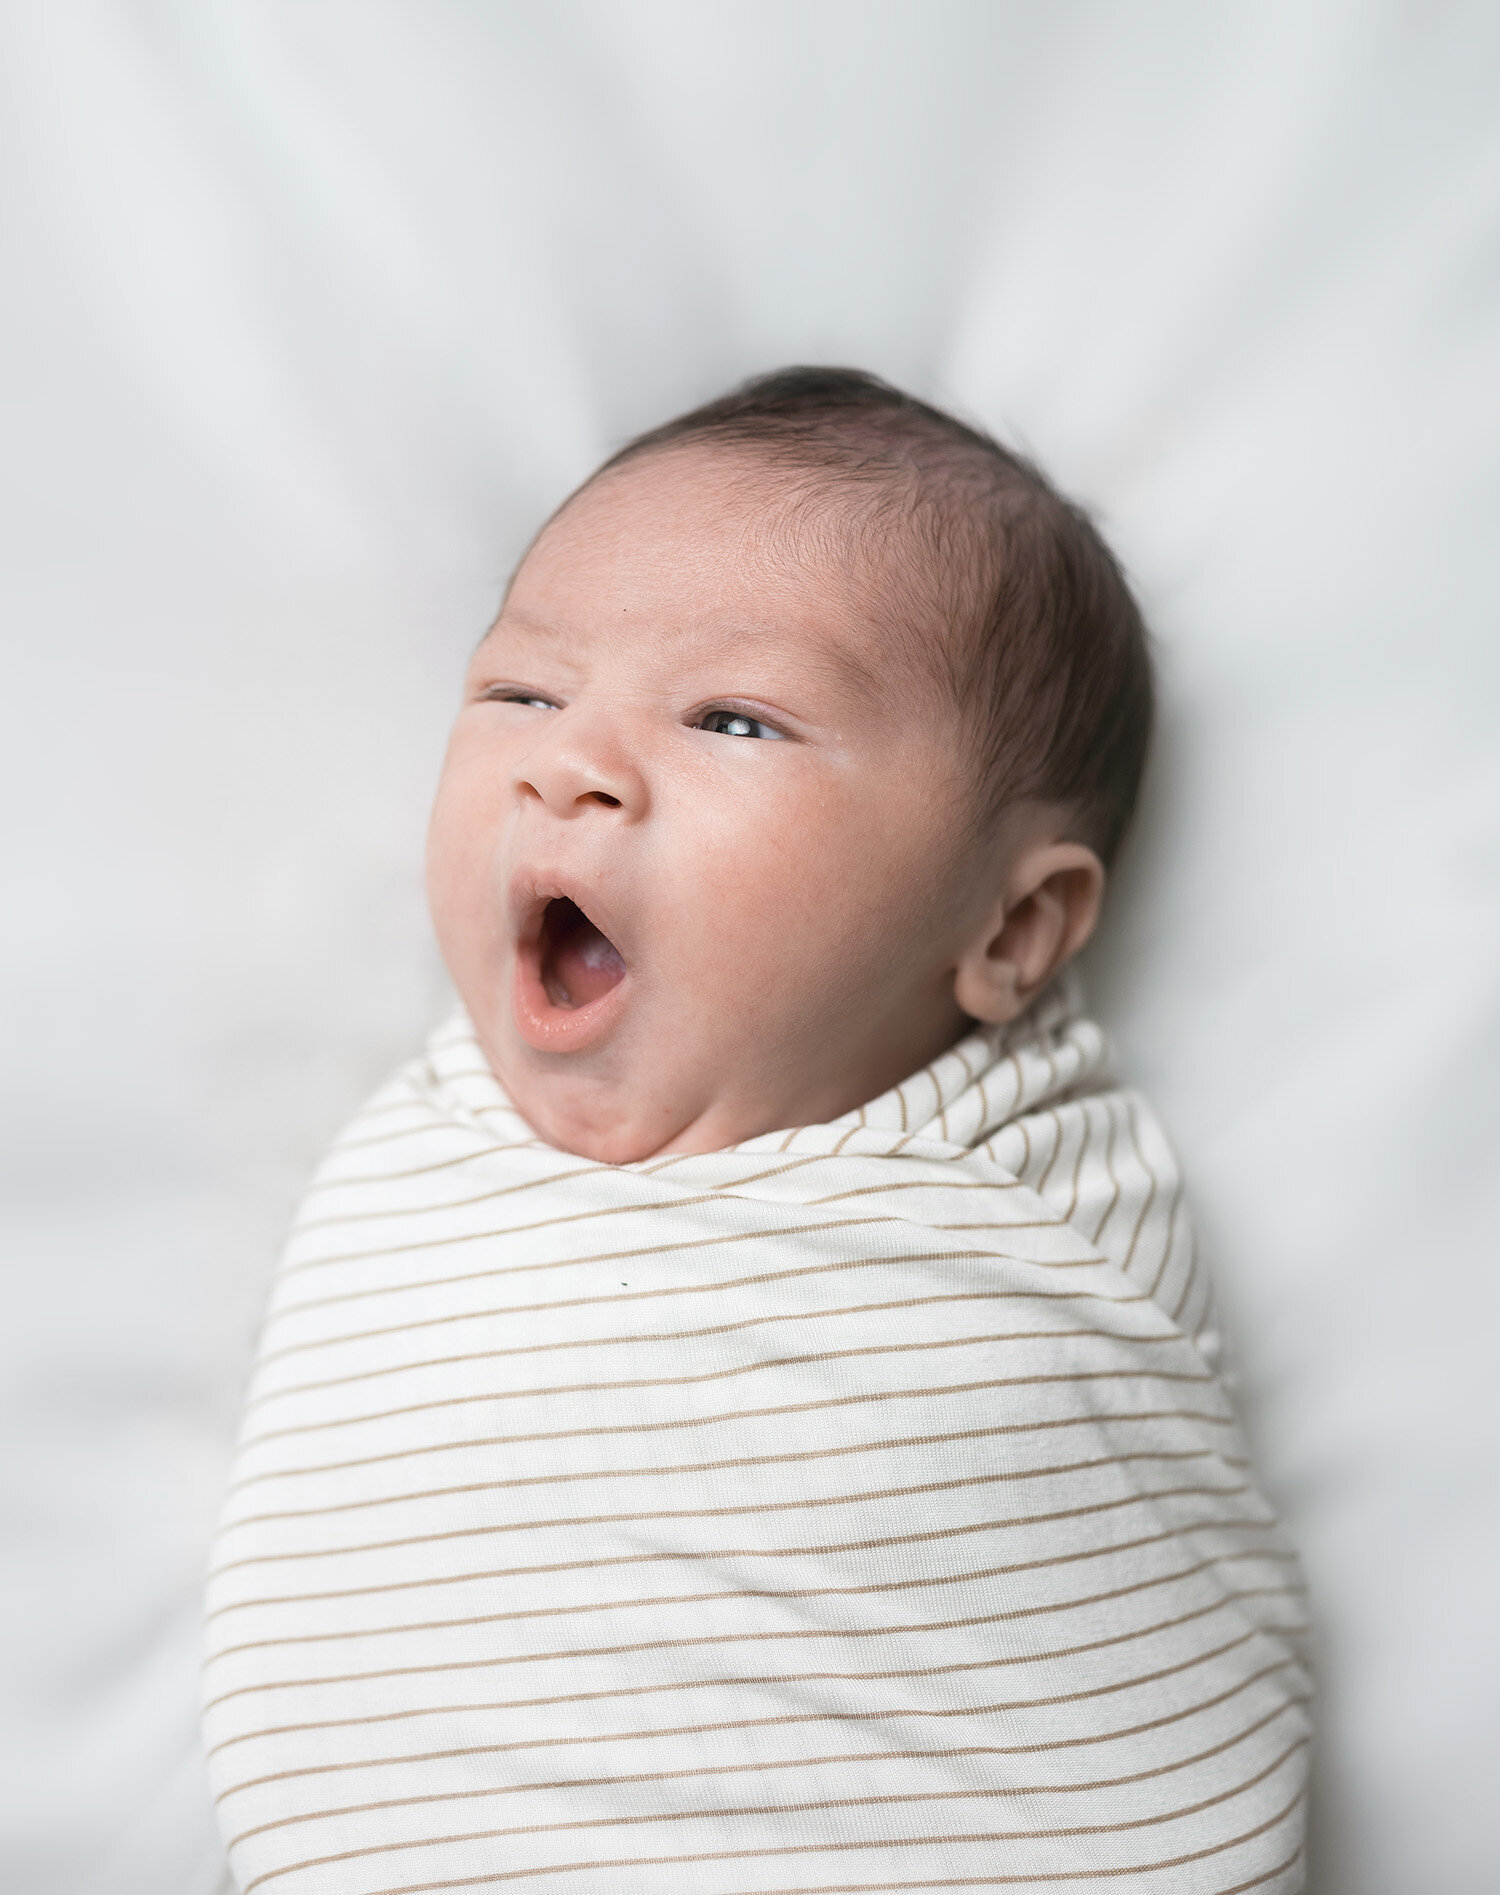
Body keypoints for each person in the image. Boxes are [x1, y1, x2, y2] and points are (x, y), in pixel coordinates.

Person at [204, 369, 1310, 1893]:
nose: (568, 765)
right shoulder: (422, 1135)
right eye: (523, 693)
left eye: (734, 718)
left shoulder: (1027, 1186)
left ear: (1012, 928)